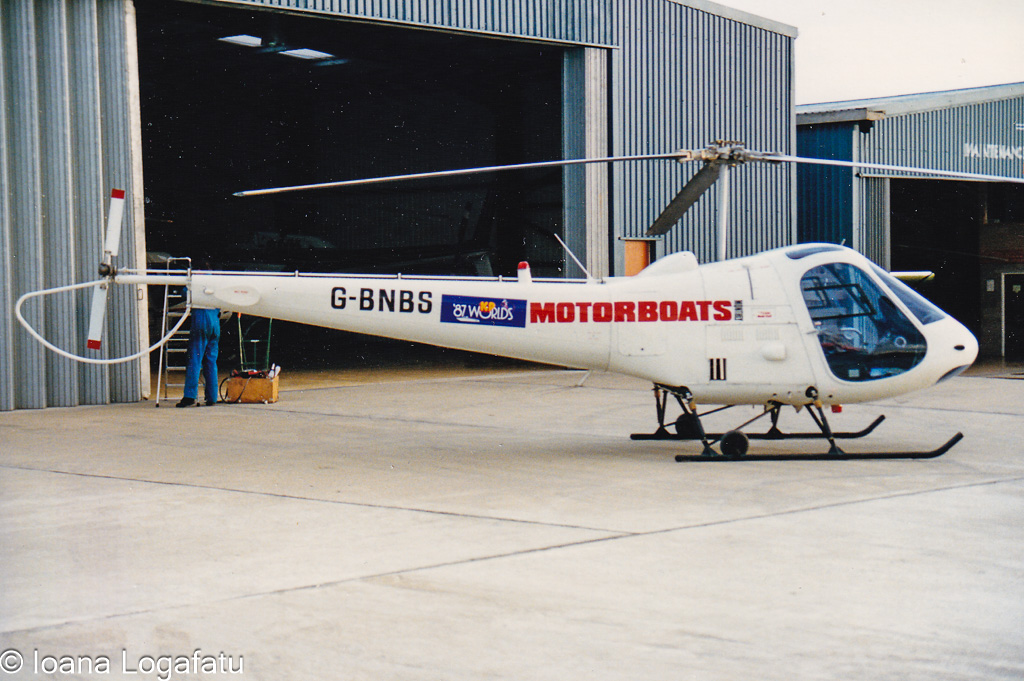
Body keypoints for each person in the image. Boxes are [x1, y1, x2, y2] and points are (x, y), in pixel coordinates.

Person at [176, 302, 222, 408]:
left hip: (201, 320)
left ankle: (189, 396)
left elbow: (186, 292)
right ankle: (212, 397)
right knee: (211, 361)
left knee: (194, 360)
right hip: (215, 321)